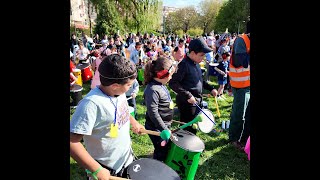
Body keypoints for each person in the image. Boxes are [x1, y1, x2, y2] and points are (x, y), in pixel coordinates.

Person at [70, 54, 145, 179]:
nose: (130, 88)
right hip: (106, 168)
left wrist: (133, 122)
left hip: (125, 159)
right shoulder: (91, 104)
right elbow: (72, 142)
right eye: (129, 85)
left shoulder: (118, 93)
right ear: (115, 85)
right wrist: (96, 169)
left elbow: (122, 110)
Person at [169, 37, 218, 135]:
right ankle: (184, 147)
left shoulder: (196, 64)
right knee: (188, 127)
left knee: (194, 126)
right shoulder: (183, 65)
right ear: (192, 53)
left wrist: (211, 88)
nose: (203, 58)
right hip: (187, 102)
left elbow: (200, 80)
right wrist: (188, 95)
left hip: (196, 101)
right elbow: (173, 83)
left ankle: (191, 144)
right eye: (201, 55)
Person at [143, 57, 176, 161]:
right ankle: (157, 166)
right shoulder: (152, 90)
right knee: (161, 149)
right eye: (170, 75)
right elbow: (153, 113)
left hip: (163, 126)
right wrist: (164, 129)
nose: (171, 78)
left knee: (164, 148)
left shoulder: (161, 85)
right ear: (163, 75)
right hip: (156, 128)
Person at [228, 20, 250, 149]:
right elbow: (243, 61)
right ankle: (234, 138)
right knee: (239, 112)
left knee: (247, 114)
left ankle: (244, 139)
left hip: (248, 83)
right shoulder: (241, 41)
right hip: (240, 84)